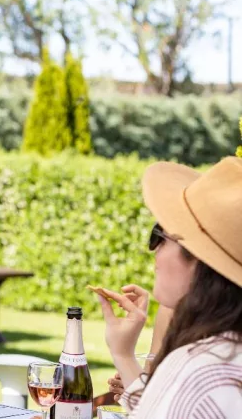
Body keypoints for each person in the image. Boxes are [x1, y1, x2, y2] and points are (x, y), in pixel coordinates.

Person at [92, 156, 242, 417]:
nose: (154, 251)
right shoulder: (224, 357)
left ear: (199, 259)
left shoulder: (200, 373)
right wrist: (124, 354)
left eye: (161, 235)